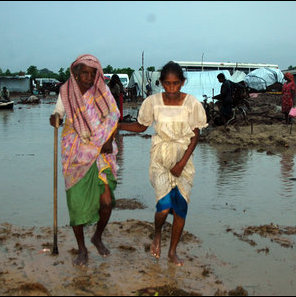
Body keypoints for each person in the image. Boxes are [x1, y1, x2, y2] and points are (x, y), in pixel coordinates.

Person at [118, 61, 207, 266]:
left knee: (180, 207)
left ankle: (172, 251)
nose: (172, 88)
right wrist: (119, 126)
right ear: (161, 83)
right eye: (167, 84)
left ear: (183, 82)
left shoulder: (192, 104)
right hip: (160, 155)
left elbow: (195, 135)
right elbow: (141, 126)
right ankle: (157, 233)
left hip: (183, 157)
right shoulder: (153, 102)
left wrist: (182, 163)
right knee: (164, 206)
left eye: (176, 83)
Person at [49, 54, 120, 266]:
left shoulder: (102, 91)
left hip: (101, 152)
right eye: (84, 74)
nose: (88, 78)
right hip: (76, 154)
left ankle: (97, 236)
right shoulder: (66, 93)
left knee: (107, 202)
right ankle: (82, 250)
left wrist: (109, 139)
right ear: (76, 74)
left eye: (92, 74)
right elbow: (58, 114)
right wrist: (55, 119)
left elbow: (114, 117)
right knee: (77, 205)